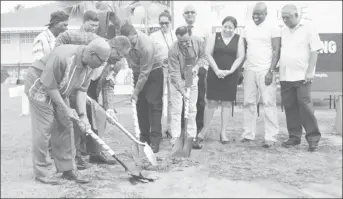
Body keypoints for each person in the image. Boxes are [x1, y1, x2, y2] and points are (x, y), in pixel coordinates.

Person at [24, 38, 111, 185]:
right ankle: (42, 172)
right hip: (40, 86)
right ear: (91, 53)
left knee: (66, 124)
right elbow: (49, 86)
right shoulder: (63, 56)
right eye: (101, 61)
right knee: (44, 127)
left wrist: (84, 117)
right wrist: (65, 108)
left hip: (59, 90)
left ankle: (68, 168)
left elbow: (82, 91)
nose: (102, 65)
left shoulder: (90, 66)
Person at [55, 12, 130, 169]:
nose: (120, 60)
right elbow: (64, 37)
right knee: (75, 120)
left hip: (92, 86)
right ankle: (75, 155)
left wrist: (109, 108)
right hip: (75, 82)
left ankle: (95, 153)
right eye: (119, 56)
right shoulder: (92, 41)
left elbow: (108, 84)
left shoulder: (116, 63)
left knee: (98, 117)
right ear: (113, 48)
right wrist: (58, 54)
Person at [195, 16, 245, 147]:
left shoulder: (239, 39)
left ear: (235, 29)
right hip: (214, 73)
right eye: (225, 27)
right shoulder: (214, 36)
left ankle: (223, 133)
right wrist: (217, 70)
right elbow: (208, 53)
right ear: (222, 26)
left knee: (227, 104)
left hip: (230, 76)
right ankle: (204, 131)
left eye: (231, 28)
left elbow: (241, 57)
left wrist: (231, 70)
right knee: (211, 102)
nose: (227, 30)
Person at [279, 4, 323, 152]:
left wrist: (310, 71)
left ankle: (313, 138)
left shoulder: (309, 27)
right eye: (283, 17)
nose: (285, 20)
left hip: (302, 75)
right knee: (290, 107)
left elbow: (315, 50)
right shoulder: (283, 31)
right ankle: (294, 137)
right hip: (285, 76)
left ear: (296, 15)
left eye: (287, 17)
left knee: (305, 106)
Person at [240, 2, 281, 148]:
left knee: (269, 103)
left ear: (266, 13)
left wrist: (271, 70)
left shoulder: (273, 28)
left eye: (259, 13)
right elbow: (244, 50)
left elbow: (276, 50)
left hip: (265, 70)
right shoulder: (247, 28)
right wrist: (240, 69)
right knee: (248, 103)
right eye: (254, 13)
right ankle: (248, 134)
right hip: (249, 69)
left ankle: (271, 136)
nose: (256, 16)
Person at [31, 10, 69, 165]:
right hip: (43, 85)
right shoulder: (41, 39)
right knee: (45, 124)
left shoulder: (62, 39)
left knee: (59, 121)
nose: (66, 27)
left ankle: (55, 154)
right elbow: (38, 63)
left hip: (58, 85)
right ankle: (43, 160)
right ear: (55, 23)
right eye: (64, 24)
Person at [120, 23, 164, 153]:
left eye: (130, 40)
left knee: (154, 105)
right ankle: (144, 137)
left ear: (135, 34)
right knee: (141, 105)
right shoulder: (125, 42)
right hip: (138, 71)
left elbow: (145, 72)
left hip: (154, 72)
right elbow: (128, 60)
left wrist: (135, 91)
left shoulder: (146, 46)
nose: (128, 43)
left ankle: (155, 140)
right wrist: (132, 73)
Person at [168, 26, 208, 153]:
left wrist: (196, 67)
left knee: (191, 108)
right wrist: (182, 90)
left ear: (189, 35)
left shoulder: (198, 41)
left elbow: (203, 57)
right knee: (177, 109)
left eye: (186, 41)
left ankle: (191, 136)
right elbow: (174, 73)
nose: (184, 44)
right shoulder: (173, 50)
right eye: (181, 42)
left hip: (191, 75)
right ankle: (175, 138)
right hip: (177, 79)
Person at [182, 5, 210, 140]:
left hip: (201, 69)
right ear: (183, 15)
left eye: (192, 12)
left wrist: (202, 67)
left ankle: (199, 128)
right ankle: (186, 128)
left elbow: (206, 52)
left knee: (200, 99)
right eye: (187, 13)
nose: (190, 15)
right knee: (186, 98)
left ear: (196, 14)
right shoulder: (181, 30)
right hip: (187, 70)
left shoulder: (203, 30)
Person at [150, 10, 177, 139]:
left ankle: (171, 128)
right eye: (161, 23)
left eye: (166, 23)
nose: (164, 26)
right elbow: (151, 53)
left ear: (170, 23)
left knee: (172, 100)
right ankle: (158, 128)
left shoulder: (175, 35)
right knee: (158, 99)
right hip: (159, 70)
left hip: (173, 70)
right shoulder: (153, 36)